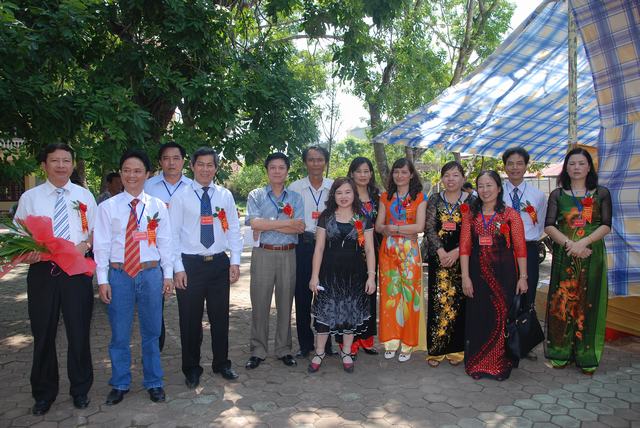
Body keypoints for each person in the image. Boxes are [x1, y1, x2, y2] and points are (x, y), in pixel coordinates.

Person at [14, 143, 97, 415]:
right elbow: (18, 237)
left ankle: (80, 389)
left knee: (79, 332)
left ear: (73, 164)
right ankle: (43, 393)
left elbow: (95, 231)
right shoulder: (30, 198)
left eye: (66, 160)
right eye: (55, 161)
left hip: (76, 273)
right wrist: (27, 254)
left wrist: (86, 245)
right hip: (43, 273)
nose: (61, 166)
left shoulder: (84, 195)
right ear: (44, 165)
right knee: (43, 333)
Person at [94, 149, 174, 405]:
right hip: (119, 276)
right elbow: (101, 246)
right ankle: (120, 382)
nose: (132, 175)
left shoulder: (157, 206)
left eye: (138, 171)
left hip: (150, 274)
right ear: (120, 173)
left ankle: (154, 381)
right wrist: (102, 280)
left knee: (152, 331)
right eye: (127, 170)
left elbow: (166, 242)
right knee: (120, 333)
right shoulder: (107, 207)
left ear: (147, 174)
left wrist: (168, 275)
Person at [170, 147, 242, 387]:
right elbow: (172, 235)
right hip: (190, 265)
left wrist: (235, 261)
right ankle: (191, 368)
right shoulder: (180, 196)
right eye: (200, 164)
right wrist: (178, 268)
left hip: (219, 263)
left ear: (216, 168)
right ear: (192, 166)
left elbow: (233, 228)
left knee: (220, 317)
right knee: (190, 320)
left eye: (210, 165)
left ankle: (222, 363)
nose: (205, 169)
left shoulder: (224, 196)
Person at [543, 148, 611, 375]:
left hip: (592, 254)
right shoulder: (557, 195)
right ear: (566, 168)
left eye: (581, 163)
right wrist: (570, 245)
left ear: (589, 167)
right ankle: (560, 351)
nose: (576, 168)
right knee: (562, 302)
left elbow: (607, 224)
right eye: (572, 164)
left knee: (589, 301)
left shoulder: (601, 193)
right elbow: (549, 225)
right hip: (565, 254)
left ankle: (586, 354)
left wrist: (584, 243)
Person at [460, 170, 528, 381]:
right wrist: (465, 277)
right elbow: (464, 248)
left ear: (499, 188)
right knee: (479, 317)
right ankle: (477, 363)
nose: (485, 190)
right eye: (481, 186)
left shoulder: (510, 215)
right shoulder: (470, 215)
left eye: (489, 185)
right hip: (477, 276)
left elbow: (520, 248)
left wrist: (523, 277)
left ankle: (499, 364)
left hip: (504, 276)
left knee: (501, 317)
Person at [308, 178, 377, 373]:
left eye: (347, 192)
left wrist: (371, 276)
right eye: (339, 193)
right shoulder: (326, 216)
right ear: (333, 195)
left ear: (354, 194)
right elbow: (319, 248)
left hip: (354, 275)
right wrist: (314, 276)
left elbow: (370, 250)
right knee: (324, 314)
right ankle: (319, 353)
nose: (343, 196)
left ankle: (346, 352)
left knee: (350, 314)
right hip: (329, 274)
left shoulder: (363, 218)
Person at [244, 152, 305, 369]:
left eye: (281, 167)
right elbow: (254, 223)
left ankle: (284, 349)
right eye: (273, 167)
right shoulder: (256, 195)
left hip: (288, 254)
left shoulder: (295, 197)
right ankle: (258, 350)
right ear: (267, 170)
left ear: (287, 171)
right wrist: (286, 223)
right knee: (260, 303)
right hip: (263, 254)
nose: (277, 171)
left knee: (286, 303)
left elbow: (299, 227)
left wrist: (267, 224)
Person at [375, 158, 427, 362]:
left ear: (411, 174)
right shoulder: (385, 197)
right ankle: (391, 341)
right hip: (388, 252)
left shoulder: (419, 197)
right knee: (390, 296)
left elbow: (420, 227)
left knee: (410, 297)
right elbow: (379, 226)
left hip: (410, 253)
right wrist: (394, 229)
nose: (400, 175)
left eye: (404, 172)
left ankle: (408, 343)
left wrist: (394, 228)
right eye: (396, 172)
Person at [424, 161, 472, 367]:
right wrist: (442, 252)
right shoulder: (435, 199)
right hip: (439, 257)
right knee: (438, 301)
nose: (450, 179)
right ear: (442, 178)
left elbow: (473, 231)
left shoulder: (472, 200)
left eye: (455, 175)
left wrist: (457, 252)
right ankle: (436, 350)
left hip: (463, 258)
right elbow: (429, 228)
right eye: (446, 175)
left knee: (459, 303)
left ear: (463, 178)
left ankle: (457, 350)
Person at [144, 141, 192, 351]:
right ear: (160, 162)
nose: (171, 163)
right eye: (166, 158)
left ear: (184, 161)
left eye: (176, 158)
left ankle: (191, 352)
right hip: (155, 251)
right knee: (154, 305)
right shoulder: (148, 186)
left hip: (186, 252)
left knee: (189, 304)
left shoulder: (193, 186)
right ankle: (156, 348)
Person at [502, 147, 547, 360]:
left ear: (526, 166)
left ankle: (524, 343)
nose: (515, 168)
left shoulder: (537, 195)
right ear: (504, 166)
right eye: (510, 163)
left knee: (527, 295)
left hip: (528, 249)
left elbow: (542, 224)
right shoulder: (496, 192)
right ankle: (502, 341)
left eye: (519, 163)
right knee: (504, 293)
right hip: (503, 249)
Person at [288, 146, 334, 358]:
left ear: (325, 162)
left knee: (328, 294)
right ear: (305, 162)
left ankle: (327, 343)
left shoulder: (334, 187)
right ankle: (305, 344)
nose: (316, 163)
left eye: (320, 159)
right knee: (302, 295)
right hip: (303, 244)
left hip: (329, 246)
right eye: (311, 159)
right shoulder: (295, 188)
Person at [340, 156, 381, 357]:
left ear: (371, 174)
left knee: (369, 295)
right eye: (358, 171)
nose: (363, 175)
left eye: (366, 171)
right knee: (349, 297)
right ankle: (349, 343)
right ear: (352, 173)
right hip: (349, 253)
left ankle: (366, 339)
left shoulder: (377, 196)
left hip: (372, 252)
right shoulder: (346, 194)